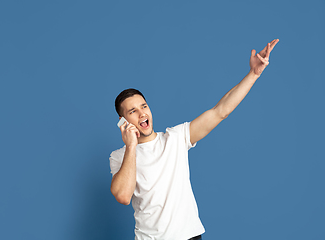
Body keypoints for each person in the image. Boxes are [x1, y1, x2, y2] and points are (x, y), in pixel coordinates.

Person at [109, 39, 279, 240]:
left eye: (144, 106)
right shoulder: (119, 156)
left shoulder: (175, 138)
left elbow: (219, 112)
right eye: (132, 111)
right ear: (123, 121)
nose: (141, 113)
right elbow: (123, 196)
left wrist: (253, 74)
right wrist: (131, 146)